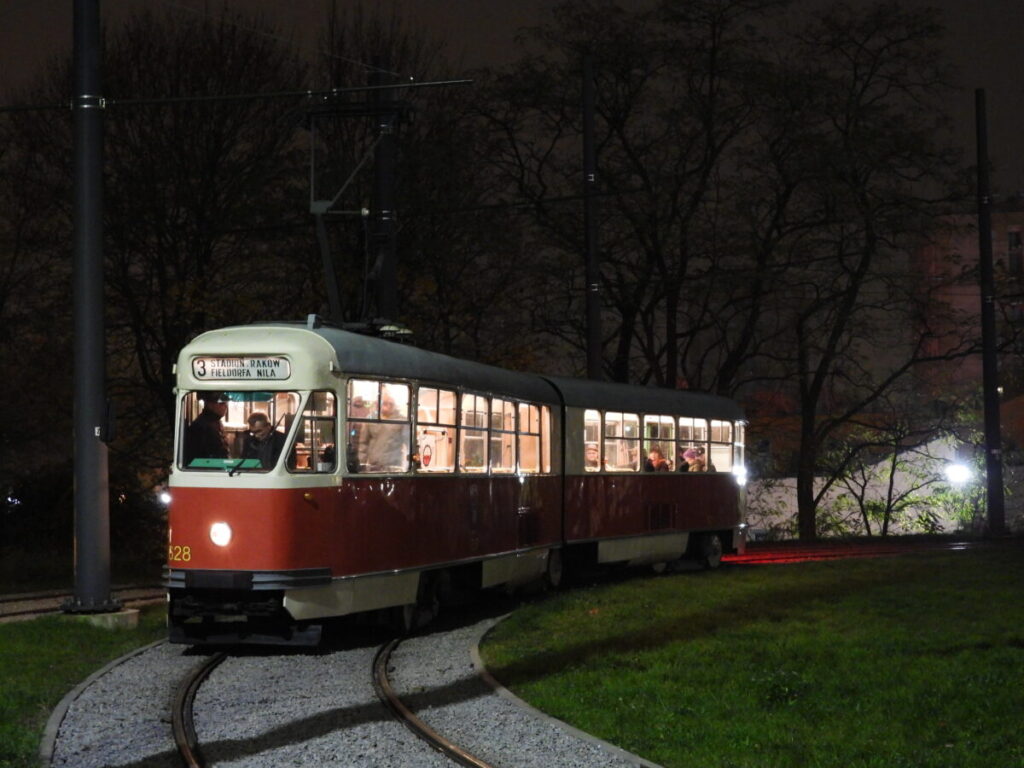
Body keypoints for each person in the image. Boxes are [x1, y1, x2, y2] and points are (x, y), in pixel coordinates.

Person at [357, 389, 408, 472]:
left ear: (394, 405)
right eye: (384, 403)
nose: (387, 406)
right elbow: (363, 444)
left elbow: (409, 442)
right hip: (374, 466)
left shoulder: (402, 420)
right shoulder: (370, 419)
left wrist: (411, 465)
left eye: (390, 403)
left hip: (394, 467)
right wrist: (361, 465)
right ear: (379, 404)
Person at [183, 391, 229, 465]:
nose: (225, 406)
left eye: (226, 403)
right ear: (210, 404)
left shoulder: (215, 422)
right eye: (221, 403)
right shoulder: (201, 426)